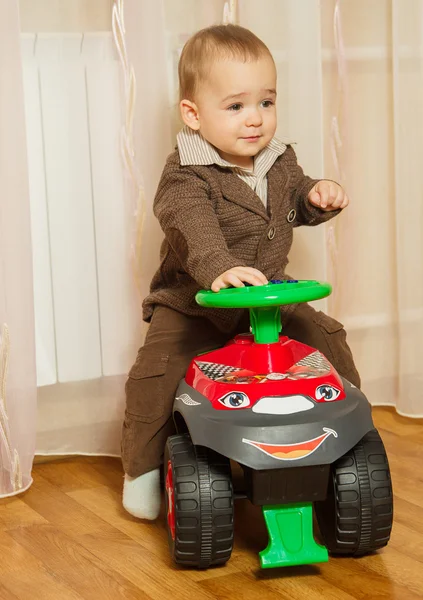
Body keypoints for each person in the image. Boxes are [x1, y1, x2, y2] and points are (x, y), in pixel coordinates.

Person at [121, 24, 360, 520]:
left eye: (266, 103)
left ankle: (351, 440)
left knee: (325, 338)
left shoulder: (280, 159)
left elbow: (293, 200)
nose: (255, 120)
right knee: (156, 372)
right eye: (235, 107)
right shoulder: (186, 174)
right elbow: (191, 226)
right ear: (193, 113)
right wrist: (219, 268)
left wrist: (317, 196)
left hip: (267, 296)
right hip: (194, 302)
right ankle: (142, 470)